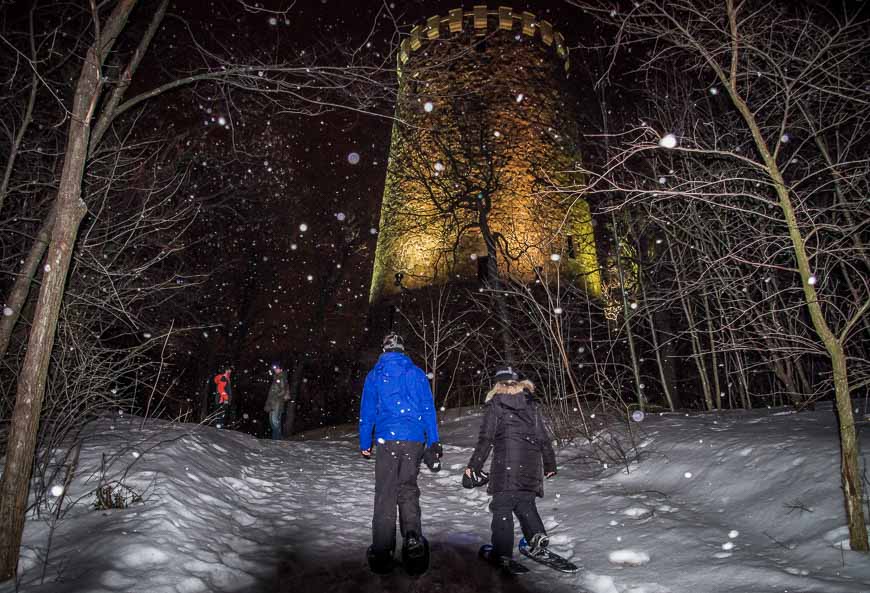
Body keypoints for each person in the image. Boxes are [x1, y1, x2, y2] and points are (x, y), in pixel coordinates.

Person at [359, 333, 441, 574]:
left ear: (384, 349)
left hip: (387, 439)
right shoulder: (416, 373)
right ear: (402, 349)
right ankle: (413, 538)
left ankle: (382, 550)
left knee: (385, 493)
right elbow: (428, 409)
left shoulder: (375, 375)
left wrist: (366, 441)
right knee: (407, 488)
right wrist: (433, 440)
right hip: (414, 439)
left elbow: (367, 412)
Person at [465, 366, 557, 567]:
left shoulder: (496, 404)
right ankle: (536, 537)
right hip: (531, 466)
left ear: (498, 385)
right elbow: (543, 437)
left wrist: (473, 466)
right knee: (525, 503)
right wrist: (550, 463)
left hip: (506, 466)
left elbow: (486, 439)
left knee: (502, 506)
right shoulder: (531, 404)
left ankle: (502, 552)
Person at [264, 365, 290, 440]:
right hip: (273, 402)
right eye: (275, 369)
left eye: (277, 368)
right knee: (272, 422)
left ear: (281, 369)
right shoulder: (276, 378)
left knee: (275, 421)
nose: (276, 370)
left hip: (277, 403)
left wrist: (276, 397)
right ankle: (277, 438)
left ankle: (276, 439)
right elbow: (272, 392)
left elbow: (283, 391)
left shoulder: (281, 378)